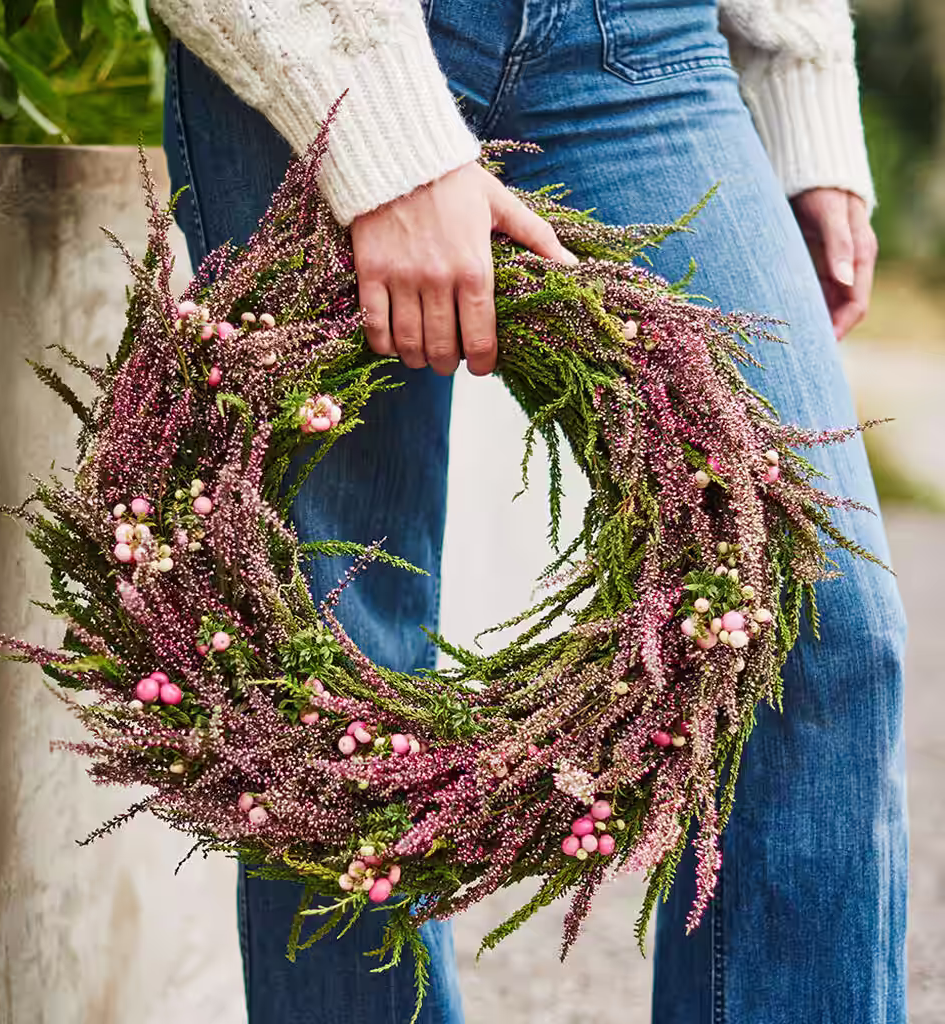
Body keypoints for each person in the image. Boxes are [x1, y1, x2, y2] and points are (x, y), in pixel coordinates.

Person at [151, 1, 908, 1021]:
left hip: (645, 44)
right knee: (326, 677)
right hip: (329, 35)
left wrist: (799, 76)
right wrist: (382, 129)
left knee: (818, 611)